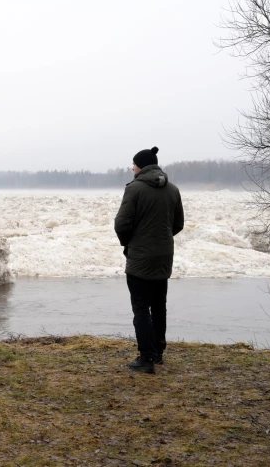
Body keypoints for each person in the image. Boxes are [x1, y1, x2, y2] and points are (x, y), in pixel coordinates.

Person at [114, 146, 184, 374]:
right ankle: (158, 352)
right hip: (164, 256)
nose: (131, 167)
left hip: (140, 257)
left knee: (141, 309)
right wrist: (160, 240)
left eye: (133, 164)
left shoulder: (134, 189)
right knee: (159, 306)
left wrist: (130, 243)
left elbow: (121, 224)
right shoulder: (173, 190)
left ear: (140, 166)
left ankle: (146, 359)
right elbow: (178, 224)